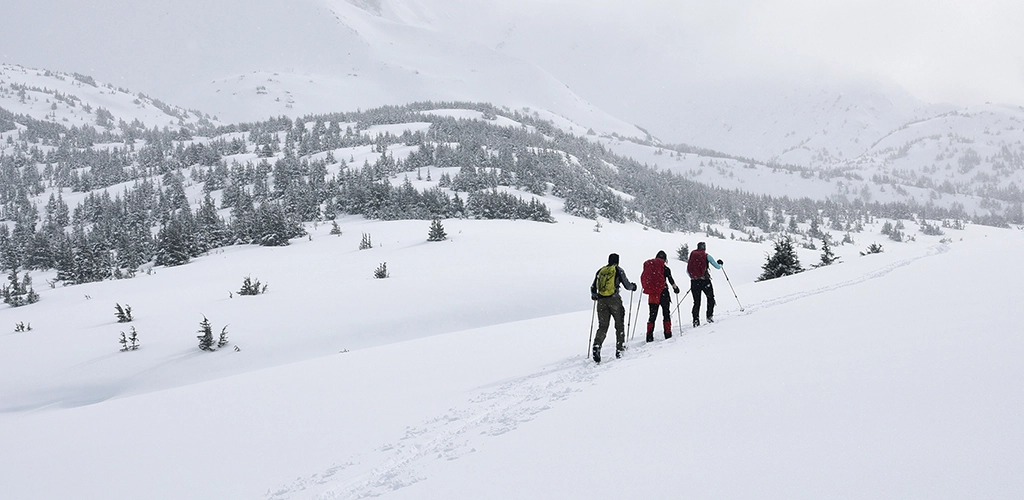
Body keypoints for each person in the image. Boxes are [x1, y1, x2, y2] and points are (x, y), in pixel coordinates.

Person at [590, 253, 637, 363]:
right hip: (614, 300)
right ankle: (619, 349)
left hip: (601, 301)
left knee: (602, 326)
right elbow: (627, 285)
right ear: (617, 261)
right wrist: (633, 287)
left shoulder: (601, 271)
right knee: (619, 325)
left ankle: (597, 345)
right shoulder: (618, 270)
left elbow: (593, 287)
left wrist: (594, 295)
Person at [641, 250, 679, 342]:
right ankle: (667, 334)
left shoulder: (650, 267)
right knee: (666, 313)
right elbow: (670, 280)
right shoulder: (665, 268)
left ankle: (649, 336)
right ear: (664, 259)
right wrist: (675, 288)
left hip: (653, 294)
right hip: (663, 293)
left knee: (652, 315)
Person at [687, 241, 723, 327]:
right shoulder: (707, 256)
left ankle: (696, 320)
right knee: (710, 298)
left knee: (696, 302)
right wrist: (721, 264)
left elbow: (687, 270)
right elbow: (717, 267)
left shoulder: (692, 256)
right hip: (705, 281)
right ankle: (709, 316)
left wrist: (694, 277)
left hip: (694, 282)